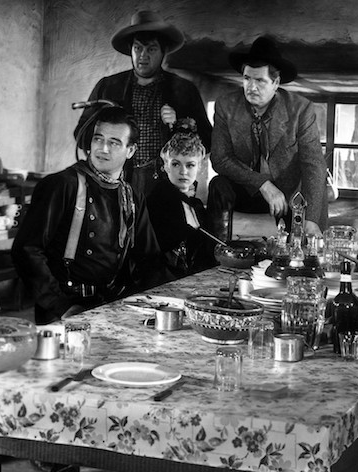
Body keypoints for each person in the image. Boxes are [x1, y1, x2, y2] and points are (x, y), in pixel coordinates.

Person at [13, 107, 162, 325]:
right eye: (98, 139)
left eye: (114, 143)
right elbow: (26, 250)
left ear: (131, 150)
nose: (103, 148)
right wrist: (61, 306)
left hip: (112, 306)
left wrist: (160, 301)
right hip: (64, 308)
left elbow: (150, 259)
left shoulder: (131, 196)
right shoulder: (62, 185)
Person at [74, 10, 212, 198]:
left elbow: (206, 141)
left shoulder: (184, 90)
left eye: (151, 49)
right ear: (130, 50)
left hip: (166, 186)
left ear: (163, 52)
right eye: (138, 48)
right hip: (116, 183)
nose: (143, 55)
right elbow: (81, 135)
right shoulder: (108, 87)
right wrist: (107, 127)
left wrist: (180, 123)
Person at [206, 36, 327, 240]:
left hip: (289, 194)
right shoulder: (226, 106)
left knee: (300, 243)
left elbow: (313, 165)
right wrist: (262, 184)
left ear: (276, 83)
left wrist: (311, 220)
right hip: (248, 188)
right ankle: (216, 247)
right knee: (218, 184)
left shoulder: (300, 109)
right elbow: (220, 158)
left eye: (260, 81)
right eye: (247, 79)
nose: (251, 87)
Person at [147, 119, 216, 279]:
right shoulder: (156, 200)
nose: (183, 172)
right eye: (176, 164)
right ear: (166, 166)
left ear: (199, 167)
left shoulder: (196, 206)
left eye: (190, 165)